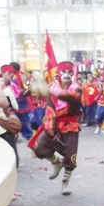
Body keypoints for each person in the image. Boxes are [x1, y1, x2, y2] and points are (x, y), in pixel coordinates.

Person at [28, 62, 82, 195]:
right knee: (39, 147)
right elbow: (50, 109)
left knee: (71, 158)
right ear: (58, 74)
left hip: (71, 127)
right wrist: (49, 126)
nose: (67, 75)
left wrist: (51, 91)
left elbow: (72, 97)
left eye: (69, 73)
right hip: (56, 125)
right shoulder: (52, 89)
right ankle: (56, 162)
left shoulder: (76, 88)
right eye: (64, 72)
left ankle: (65, 182)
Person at [10, 62, 33, 140]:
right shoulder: (24, 77)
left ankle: (15, 135)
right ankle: (28, 135)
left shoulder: (9, 78)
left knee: (13, 120)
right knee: (24, 121)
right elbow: (29, 89)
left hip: (14, 103)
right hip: (22, 102)